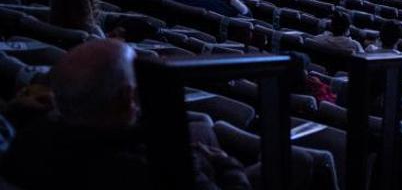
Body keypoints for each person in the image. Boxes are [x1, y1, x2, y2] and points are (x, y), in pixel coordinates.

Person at [2, 40, 250, 190]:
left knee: (202, 126)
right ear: (127, 97)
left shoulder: (26, 141)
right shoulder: (160, 167)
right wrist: (227, 165)